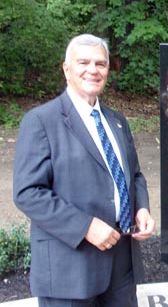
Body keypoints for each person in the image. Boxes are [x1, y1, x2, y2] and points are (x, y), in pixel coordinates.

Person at [13, 34, 156, 307]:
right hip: (70, 268)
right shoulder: (41, 121)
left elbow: (134, 175)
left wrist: (142, 209)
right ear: (67, 69)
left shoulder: (117, 122)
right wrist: (86, 226)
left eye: (100, 64)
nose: (93, 70)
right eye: (84, 62)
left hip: (121, 266)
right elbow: (28, 193)